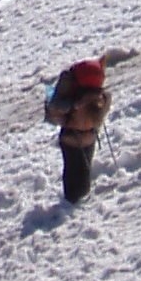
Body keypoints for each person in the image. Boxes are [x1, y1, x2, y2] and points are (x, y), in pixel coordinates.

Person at [43, 58, 112, 204]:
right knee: (79, 172)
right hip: (83, 137)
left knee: (77, 172)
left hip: (74, 137)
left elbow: (56, 108)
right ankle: (76, 201)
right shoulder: (96, 94)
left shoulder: (72, 86)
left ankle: (74, 202)